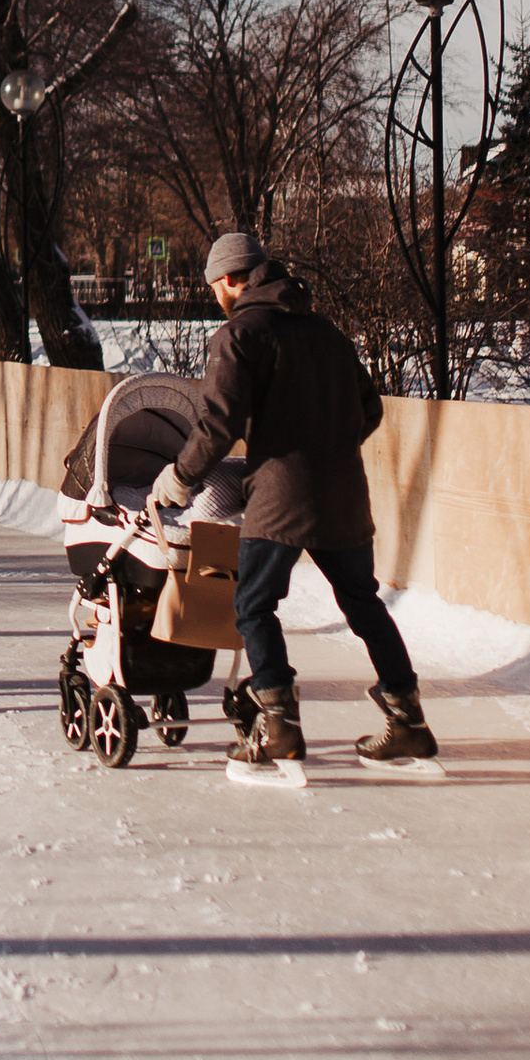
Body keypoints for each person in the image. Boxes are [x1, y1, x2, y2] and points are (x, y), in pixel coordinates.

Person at [149, 227, 435, 768]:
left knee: (253, 606)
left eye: (215, 285)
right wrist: (328, 448)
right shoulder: (326, 332)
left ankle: (278, 725)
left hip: (280, 497)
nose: (215, 295)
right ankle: (409, 721)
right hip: (345, 493)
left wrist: (180, 479)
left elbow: (218, 424)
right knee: (363, 602)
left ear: (231, 279)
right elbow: (369, 409)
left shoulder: (240, 335)